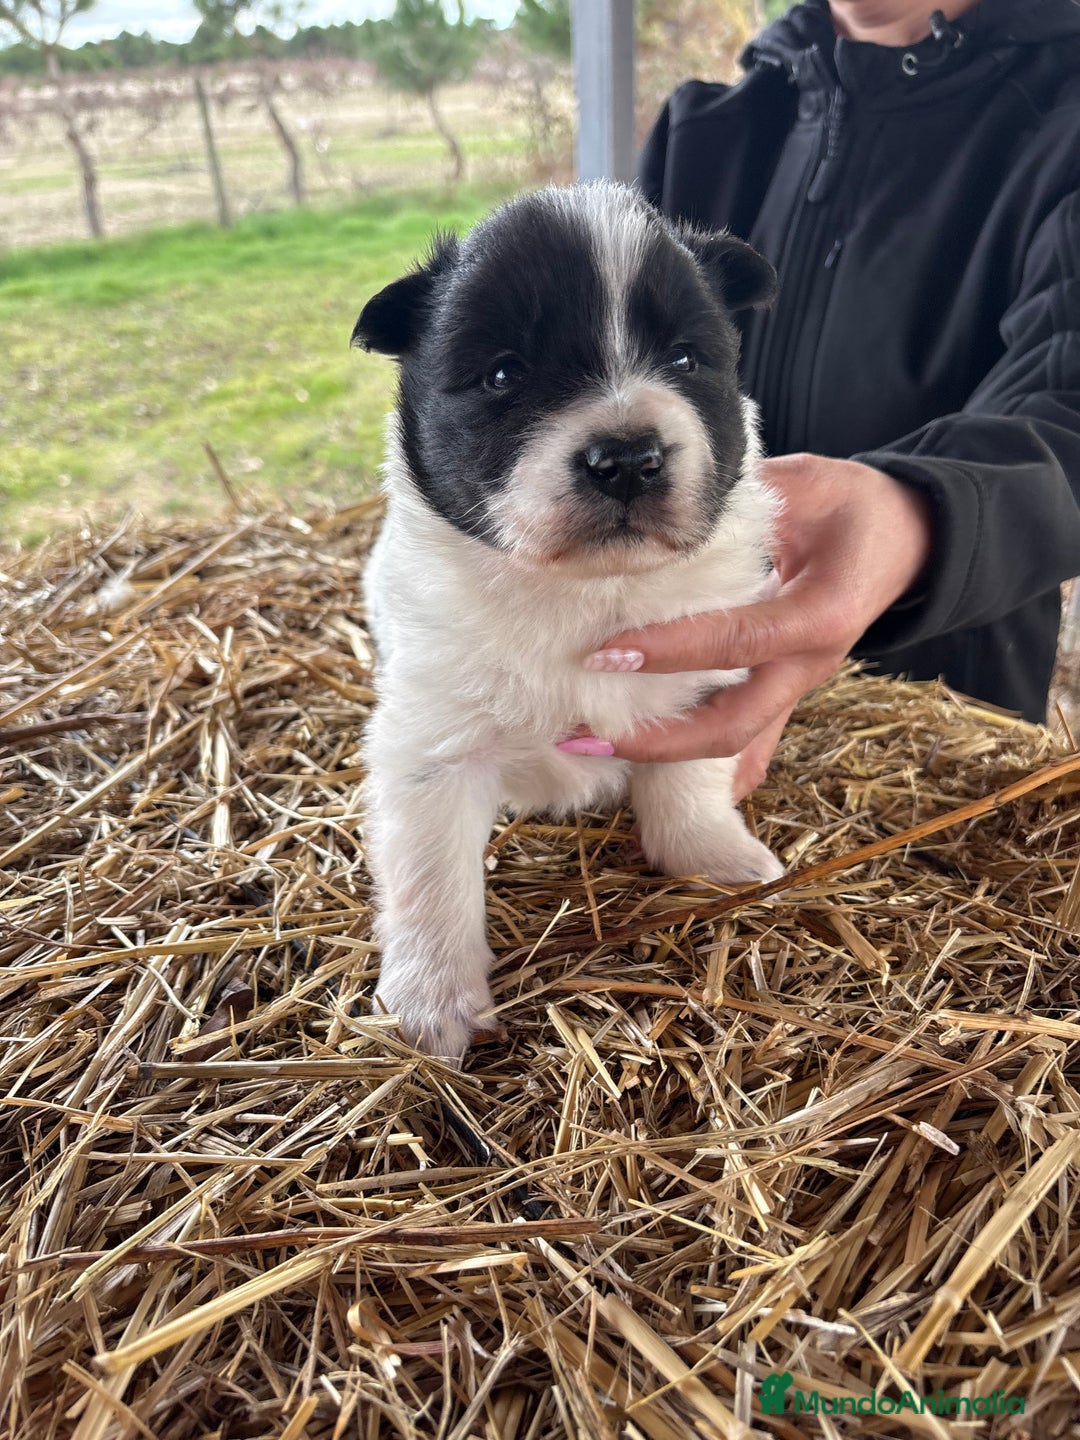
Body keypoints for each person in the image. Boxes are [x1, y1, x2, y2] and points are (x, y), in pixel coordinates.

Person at [576, 0, 1080, 797]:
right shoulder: (705, 132)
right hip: (671, 692)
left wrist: (921, 514)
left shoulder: (1064, 118)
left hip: (927, 741)